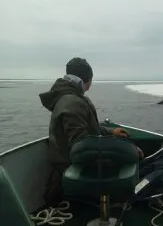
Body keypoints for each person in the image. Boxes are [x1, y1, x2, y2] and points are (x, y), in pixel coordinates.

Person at [39, 57, 143, 206]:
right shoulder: (73, 102)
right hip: (74, 165)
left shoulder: (68, 98)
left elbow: (88, 130)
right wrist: (130, 150)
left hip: (72, 159)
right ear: (84, 81)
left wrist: (111, 132)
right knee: (130, 159)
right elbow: (82, 146)